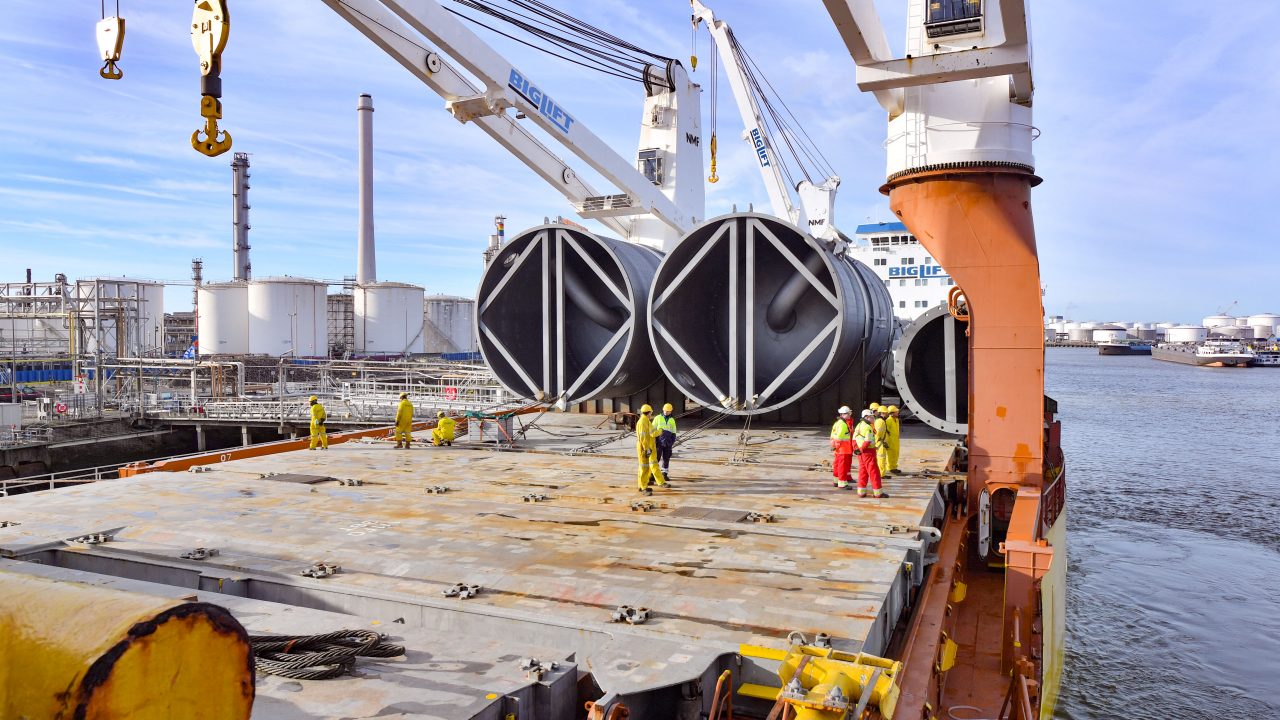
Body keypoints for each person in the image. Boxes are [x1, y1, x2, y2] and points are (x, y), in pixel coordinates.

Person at [853, 408, 886, 498]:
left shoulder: (859, 425)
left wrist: (857, 450)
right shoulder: (868, 427)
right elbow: (867, 441)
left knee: (863, 472)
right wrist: (862, 449)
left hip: (860, 452)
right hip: (868, 452)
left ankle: (861, 492)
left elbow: (854, 439)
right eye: (872, 417)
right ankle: (878, 493)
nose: (874, 419)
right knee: (874, 472)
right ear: (867, 417)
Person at [635, 404, 667, 494]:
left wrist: (659, 431)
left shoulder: (646, 421)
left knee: (645, 467)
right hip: (643, 448)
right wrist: (646, 449)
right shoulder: (642, 422)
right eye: (650, 413)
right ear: (648, 413)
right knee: (643, 468)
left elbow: (651, 433)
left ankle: (643, 486)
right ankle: (643, 487)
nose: (651, 414)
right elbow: (643, 438)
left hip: (646, 447)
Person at [829, 405, 855, 489]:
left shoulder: (837, 423)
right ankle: (842, 483)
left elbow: (833, 435)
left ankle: (836, 481)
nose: (849, 415)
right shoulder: (843, 424)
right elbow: (839, 438)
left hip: (838, 449)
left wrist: (834, 446)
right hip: (843, 449)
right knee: (842, 466)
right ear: (843, 414)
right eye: (848, 413)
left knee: (837, 465)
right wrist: (837, 445)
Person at [654, 402, 677, 478]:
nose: (666, 412)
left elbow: (673, 432)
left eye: (668, 411)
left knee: (666, 458)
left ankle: (664, 474)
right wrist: (655, 441)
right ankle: (653, 474)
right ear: (663, 410)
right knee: (656, 458)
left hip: (668, 443)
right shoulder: (657, 418)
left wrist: (671, 442)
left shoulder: (672, 420)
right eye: (665, 411)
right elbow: (653, 430)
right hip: (659, 442)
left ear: (671, 411)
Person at [885, 405, 902, 475]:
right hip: (890, 440)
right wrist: (886, 441)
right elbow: (886, 432)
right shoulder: (888, 421)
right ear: (892, 413)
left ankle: (894, 467)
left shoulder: (897, 420)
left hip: (896, 440)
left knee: (896, 454)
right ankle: (890, 468)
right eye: (896, 412)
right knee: (890, 454)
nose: (897, 412)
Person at [875, 405, 891, 476]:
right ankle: (881, 474)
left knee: (881, 458)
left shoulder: (880, 420)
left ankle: (882, 473)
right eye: (886, 413)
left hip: (880, 442)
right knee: (881, 459)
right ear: (882, 413)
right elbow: (878, 433)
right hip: (880, 443)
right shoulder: (881, 421)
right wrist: (879, 441)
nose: (887, 414)